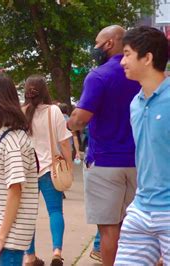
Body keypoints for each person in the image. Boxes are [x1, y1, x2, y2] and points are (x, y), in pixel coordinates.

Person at [67, 25, 140, 266]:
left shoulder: (99, 76)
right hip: (140, 161)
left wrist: (69, 123)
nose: (95, 49)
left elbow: (80, 119)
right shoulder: (142, 74)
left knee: (109, 229)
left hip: (105, 161)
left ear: (109, 44)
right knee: (138, 227)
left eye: (97, 44)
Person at [114, 26, 170, 265]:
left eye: (127, 54)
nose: (122, 62)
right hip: (141, 210)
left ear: (147, 58)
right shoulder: (135, 104)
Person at [0, 73, 38, 266]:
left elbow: (15, 190)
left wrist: (0, 239)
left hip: (8, 238)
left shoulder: (13, 140)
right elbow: (2, 180)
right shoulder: (2, 133)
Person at [22, 75, 72, 266]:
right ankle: (57, 252)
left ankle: (30, 256)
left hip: (26, 172)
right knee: (55, 211)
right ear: (45, 91)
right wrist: (67, 164)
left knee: (27, 214)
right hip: (50, 170)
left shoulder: (20, 112)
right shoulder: (54, 111)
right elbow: (64, 144)